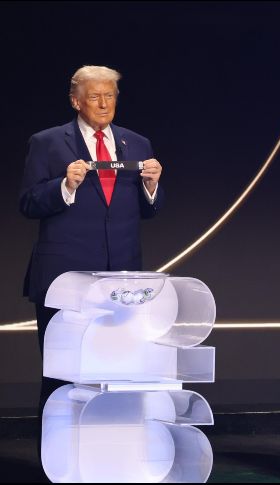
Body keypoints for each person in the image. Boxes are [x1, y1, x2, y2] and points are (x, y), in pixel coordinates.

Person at [18, 65, 164, 465]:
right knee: (62, 377)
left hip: (120, 281)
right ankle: (58, 462)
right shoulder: (47, 143)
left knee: (117, 374)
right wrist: (64, 186)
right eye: (95, 96)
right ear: (76, 100)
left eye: (111, 96)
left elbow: (146, 211)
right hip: (63, 280)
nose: (104, 104)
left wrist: (152, 186)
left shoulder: (137, 143)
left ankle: (112, 460)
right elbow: (28, 203)